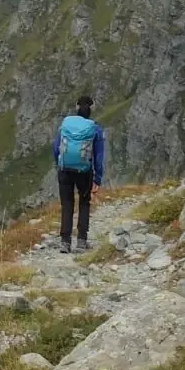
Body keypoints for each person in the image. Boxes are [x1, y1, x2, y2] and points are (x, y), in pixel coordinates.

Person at [51, 95, 107, 253]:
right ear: (91, 109)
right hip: (84, 171)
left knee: (67, 204)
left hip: (64, 169)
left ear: (76, 107)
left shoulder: (65, 124)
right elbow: (99, 156)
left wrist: (59, 163)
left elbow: (56, 147)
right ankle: (81, 241)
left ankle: (65, 242)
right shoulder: (95, 128)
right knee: (84, 202)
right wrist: (97, 178)